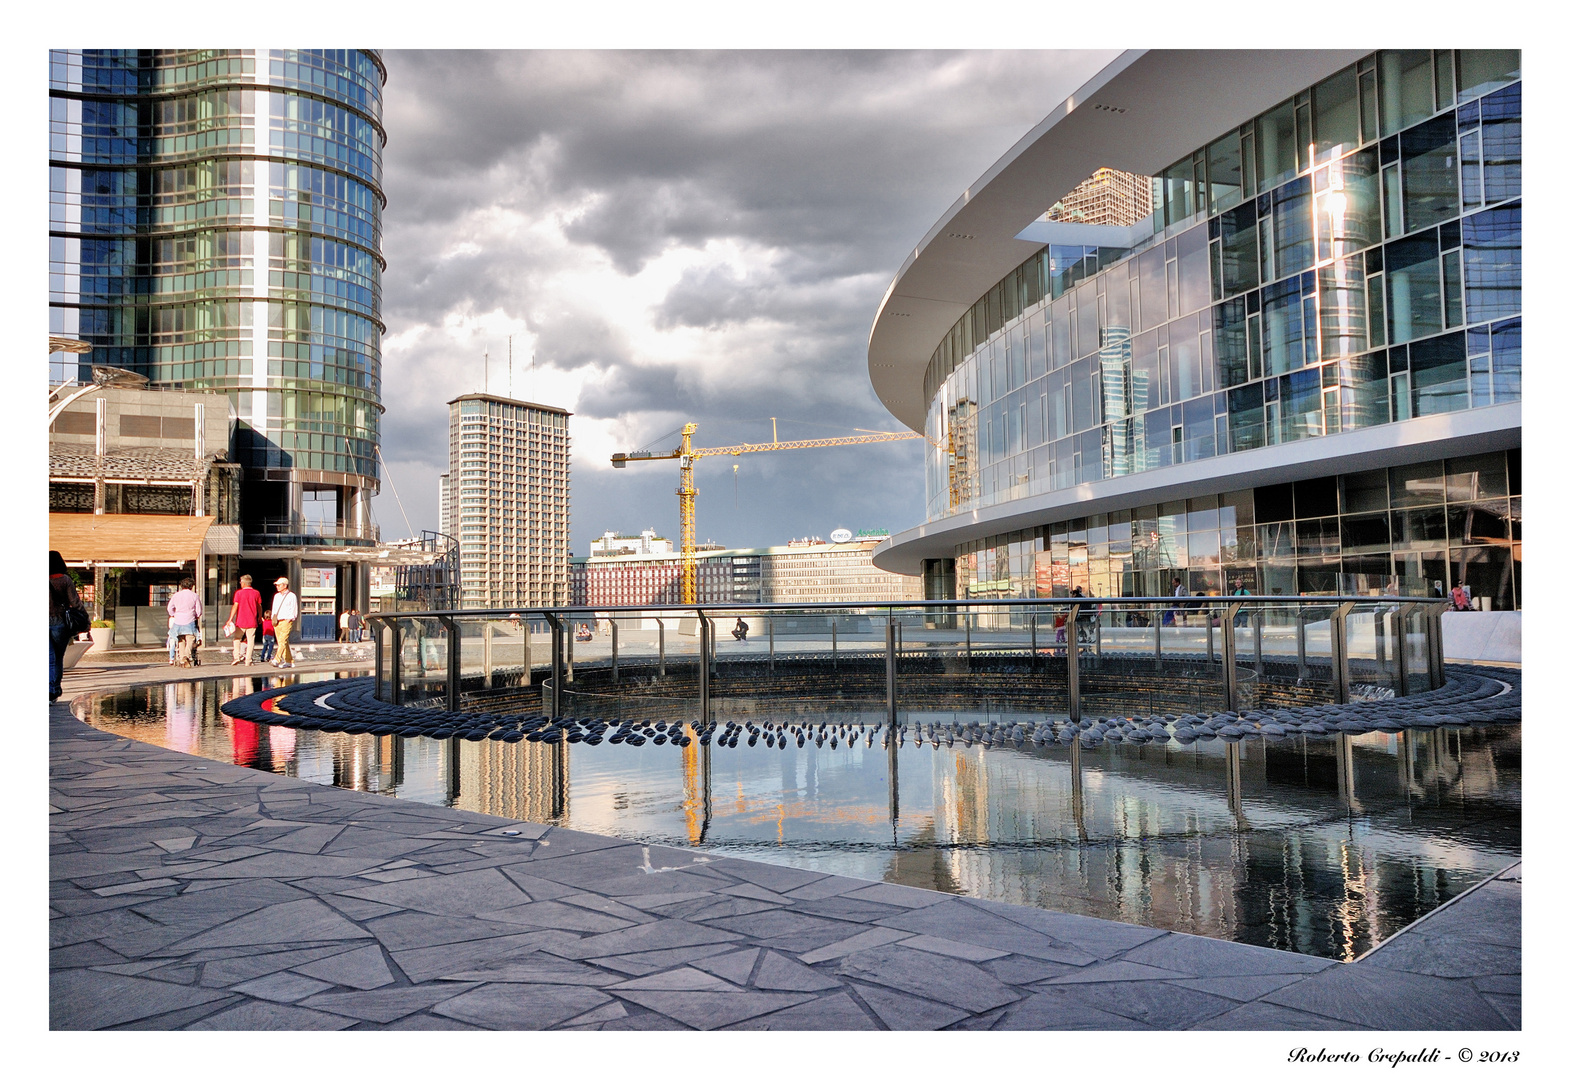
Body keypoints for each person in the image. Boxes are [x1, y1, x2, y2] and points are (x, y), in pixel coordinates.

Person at [48, 550, 81, 703]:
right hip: (61, 622)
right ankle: (54, 689)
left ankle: (51, 689)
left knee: (49, 657)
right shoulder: (65, 580)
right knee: (58, 658)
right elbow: (75, 602)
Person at [167, 577, 202, 667]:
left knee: (180, 640)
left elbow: (169, 608)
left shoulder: (176, 595)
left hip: (178, 620)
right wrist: (196, 615)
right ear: (191, 586)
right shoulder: (194, 596)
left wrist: (174, 614)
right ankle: (186, 656)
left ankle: (182, 657)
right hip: (190, 620)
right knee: (190, 639)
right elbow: (199, 610)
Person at [228, 574, 262, 666]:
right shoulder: (256, 593)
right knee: (251, 640)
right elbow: (259, 606)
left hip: (241, 621)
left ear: (243, 583)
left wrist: (230, 619)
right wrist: (260, 616)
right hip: (252, 621)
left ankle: (236, 657)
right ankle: (248, 660)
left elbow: (235, 606)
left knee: (237, 638)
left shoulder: (238, 593)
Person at [271, 576, 299, 668]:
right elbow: (274, 609)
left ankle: (277, 659)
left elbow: (294, 608)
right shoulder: (276, 596)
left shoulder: (291, 596)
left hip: (286, 620)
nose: (277, 586)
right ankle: (289, 660)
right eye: (276, 585)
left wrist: (291, 618)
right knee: (282, 641)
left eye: (279, 585)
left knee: (282, 640)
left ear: (285, 585)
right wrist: (273, 619)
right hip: (277, 621)